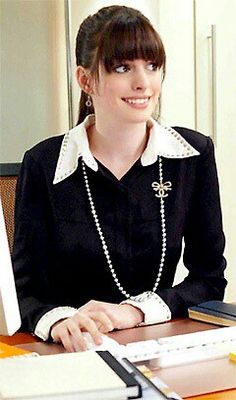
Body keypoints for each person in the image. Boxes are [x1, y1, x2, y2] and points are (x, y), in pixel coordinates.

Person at [13, 5, 227, 352]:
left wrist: (134, 312)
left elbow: (209, 279)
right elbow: (22, 289)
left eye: (153, 66)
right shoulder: (44, 163)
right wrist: (59, 321)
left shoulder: (193, 155)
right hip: (69, 352)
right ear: (85, 80)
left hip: (160, 348)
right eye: (123, 68)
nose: (143, 82)